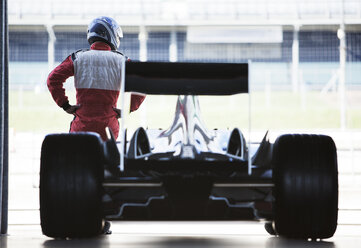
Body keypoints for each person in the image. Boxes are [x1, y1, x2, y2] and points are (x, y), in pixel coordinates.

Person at [47, 16, 145, 141]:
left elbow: (52, 79)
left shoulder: (78, 58)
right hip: (109, 129)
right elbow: (142, 84)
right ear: (111, 35)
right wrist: (128, 109)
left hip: (81, 128)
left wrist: (64, 104)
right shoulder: (122, 61)